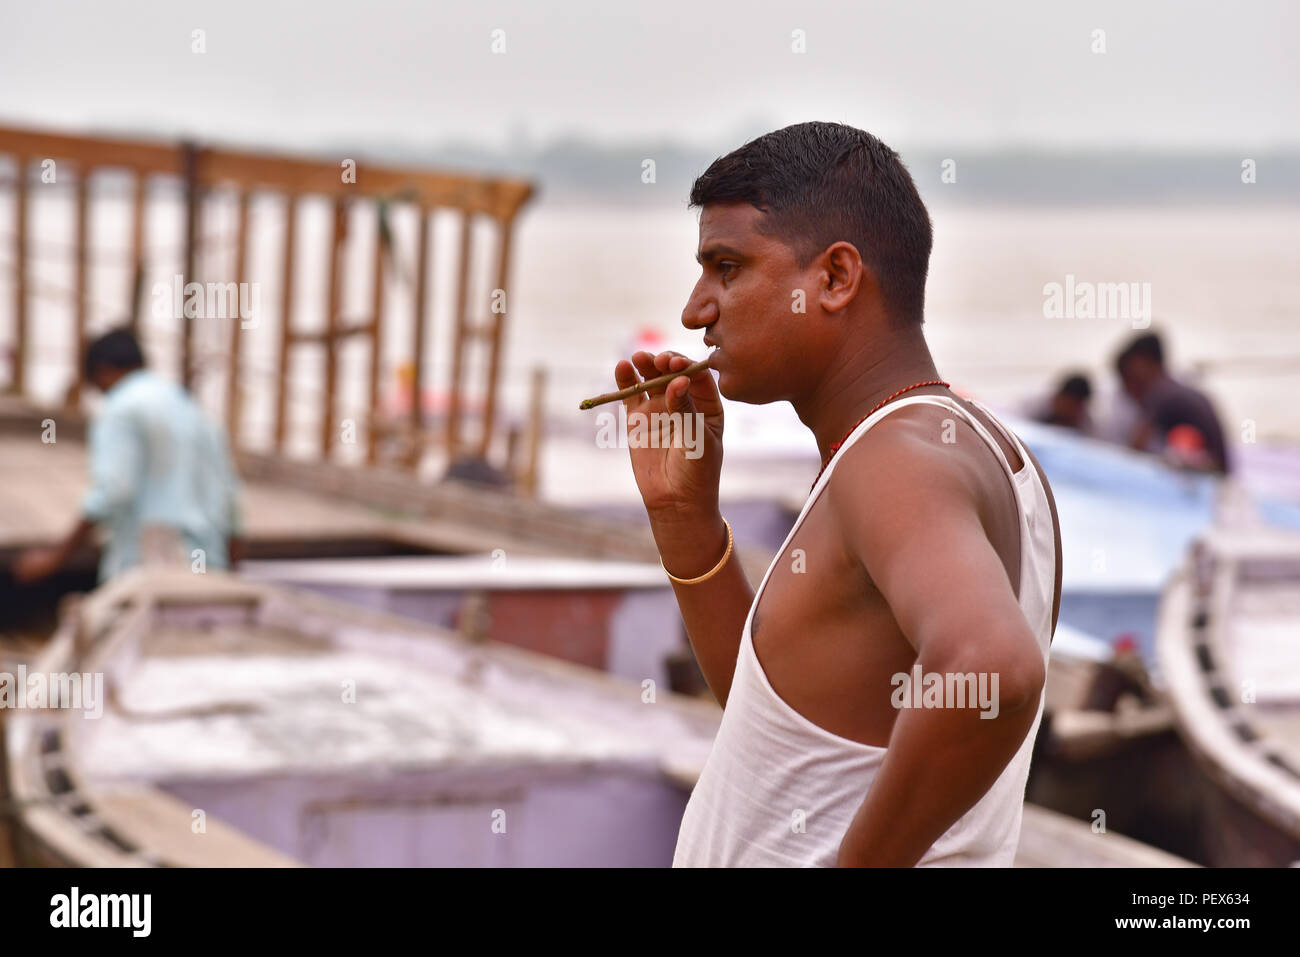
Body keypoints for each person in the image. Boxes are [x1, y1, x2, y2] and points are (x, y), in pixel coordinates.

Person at [611, 122, 1061, 867]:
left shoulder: (894, 461)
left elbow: (992, 666)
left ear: (835, 278)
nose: (695, 311)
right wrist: (686, 521)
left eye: (727, 267)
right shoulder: (972, 449)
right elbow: (784, 738)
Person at [13, 328, 243, 584]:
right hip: (209, 569)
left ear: (101, 371)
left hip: (150, 574)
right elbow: (231, 502)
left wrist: (57, 557)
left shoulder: (120, 409)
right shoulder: (195, 411)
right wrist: (231, 579)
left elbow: (113, 491)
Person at [1114, 332, 1230, 473]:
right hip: (1218, 470)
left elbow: (1135, 449)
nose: (1127, 390)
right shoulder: (1173, 388)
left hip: (1211, 473)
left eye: (1128, 378)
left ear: (1143, 363)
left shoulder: (1160, 394)